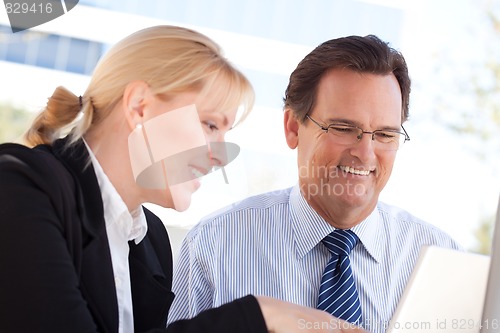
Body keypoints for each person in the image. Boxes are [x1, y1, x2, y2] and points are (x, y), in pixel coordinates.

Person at [0, 26, 367, 333]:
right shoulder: (22, 188)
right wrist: (259, 315)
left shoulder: (150, 243)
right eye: (209, 124)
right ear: (139, 106)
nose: (218, 153)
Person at [167, 34, 464, 333]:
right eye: (344, 128)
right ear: (293, 127)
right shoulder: (213, 245)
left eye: (385, 134)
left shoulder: (444, 261)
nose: (365, 153)